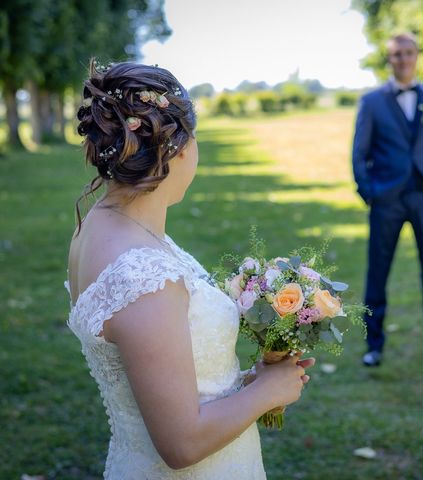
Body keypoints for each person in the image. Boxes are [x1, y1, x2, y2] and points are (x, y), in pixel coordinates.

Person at [66, 60, 314, 478]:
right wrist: (268, 391)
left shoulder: (102, 227)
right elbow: (182, 442)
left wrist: (248, 383)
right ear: (178, 147)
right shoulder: (141, 276)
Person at [352, 33, 423, 367]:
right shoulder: (371, 101)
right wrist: (369, 192)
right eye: (396, 54)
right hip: (386, 198)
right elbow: (359, 153)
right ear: (389, 59)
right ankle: (374, 345)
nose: (403, 59)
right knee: (378, 271)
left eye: (408, 53)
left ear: (417, 56)